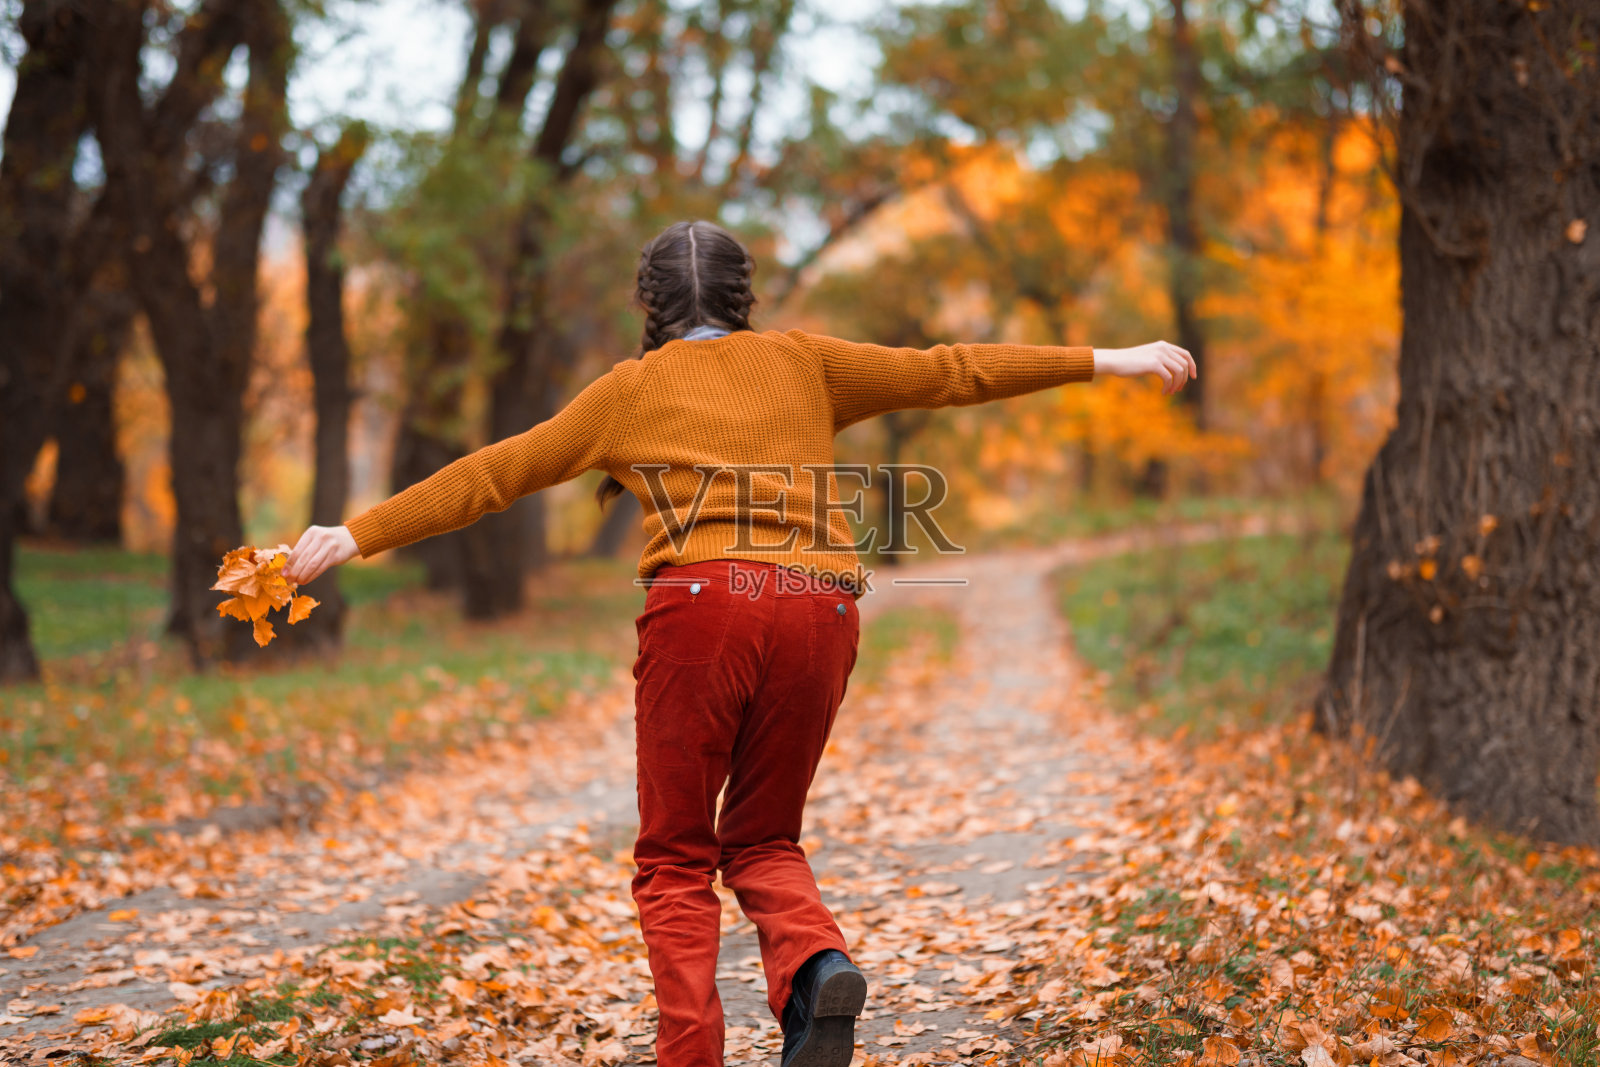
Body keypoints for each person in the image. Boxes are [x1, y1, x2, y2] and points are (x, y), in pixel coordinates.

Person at [283, 219, 1195, 1067]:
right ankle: (815, 968)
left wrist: (355, 534)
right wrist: (1110, 358)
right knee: (763, 836)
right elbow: (951, 370)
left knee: (676, 856)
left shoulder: (627, 391)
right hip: (819, 606)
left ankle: (693, 1053)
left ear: (650, 302)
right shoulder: (805, 361)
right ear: (743, 292)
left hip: (702, 605)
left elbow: (497, 471)